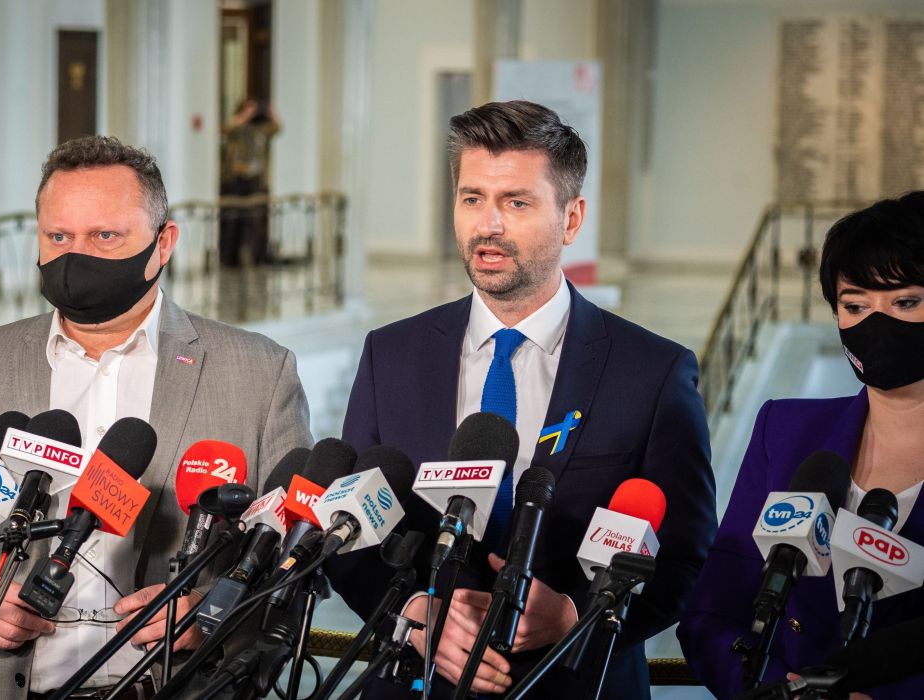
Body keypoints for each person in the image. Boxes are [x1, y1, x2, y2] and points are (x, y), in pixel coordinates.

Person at [0, 135, 312, 700]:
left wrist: (213, 612)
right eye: (58, 237)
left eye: (105, 236)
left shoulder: (259, 374)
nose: (75, 256)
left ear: (164, 243)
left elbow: (299, 557)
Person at [328, 100, 717, 699]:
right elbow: (351, 535)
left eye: (516, 203)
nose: (488, 225)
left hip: (575, 682)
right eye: (472, 198)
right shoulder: (391, 355)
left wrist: (578, 617)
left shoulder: (653, 371)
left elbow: (687, 558)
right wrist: (412, 616)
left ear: (571, 218)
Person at [677, 193, 924, 699]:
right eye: (855, 305)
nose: (876, 322)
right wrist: (777, 692)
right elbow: (712, 612)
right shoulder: (786, 430)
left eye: (905, 302)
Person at [219, 98, 280, 268]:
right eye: (248, 109)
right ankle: (228, 259)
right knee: (232, 220)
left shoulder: (259, 130)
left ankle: (255, 257)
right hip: (235, 180)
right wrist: (243, 116)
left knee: (254, 221)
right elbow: (226, 129)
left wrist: (270, 112)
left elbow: (277, 128)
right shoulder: (236, 129)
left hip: (254, 180)